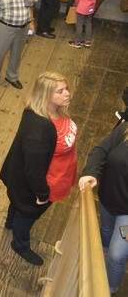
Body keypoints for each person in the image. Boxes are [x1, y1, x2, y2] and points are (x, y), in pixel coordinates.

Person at [0, 71, 77, 266]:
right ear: (46, 95)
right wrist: (42, 194)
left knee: (18, 206)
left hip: (58, 174)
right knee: (27, 214)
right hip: (44, 185)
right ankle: (20, 244)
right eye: (60, 91)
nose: (67, 93)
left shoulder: (50, 111)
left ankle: (10, 222)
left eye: (66, 88)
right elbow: (33, 170)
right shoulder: (39, 129)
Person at [79, 123, 128, 293]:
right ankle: (99, 258)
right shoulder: (125, 130)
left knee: (116, 256)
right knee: (106, 230)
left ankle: (108, 289)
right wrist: (90, 172)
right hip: (108, 198)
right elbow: (101, 150)